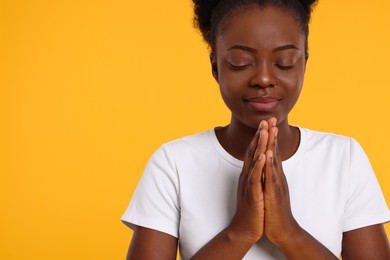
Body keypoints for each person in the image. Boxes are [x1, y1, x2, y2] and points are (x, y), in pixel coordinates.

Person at [121, 0, 390, 259]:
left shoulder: (344, 158)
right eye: (240, 62)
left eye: (284, 62)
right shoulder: (173, 163)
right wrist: (240, 232)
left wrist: (288, 233)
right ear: (216, 66)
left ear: (304, 63)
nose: (263, 79)